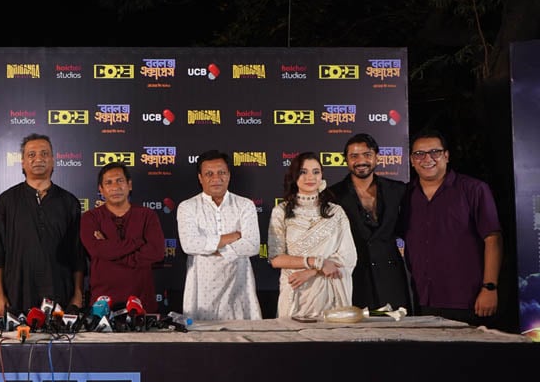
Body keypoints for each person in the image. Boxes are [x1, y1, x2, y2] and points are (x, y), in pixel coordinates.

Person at [403, 129, 502, 325]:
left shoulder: (474, 189)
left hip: (468, 300)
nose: (427, 159)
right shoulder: (405, 195)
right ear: (412, 160)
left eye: (435, 152)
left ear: (446, 156)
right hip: (420, 301)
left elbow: (493, 239)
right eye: (419, 154)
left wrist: (490, 287)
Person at [0, 134, 85, 316]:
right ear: (23, 162)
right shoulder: (6, 201)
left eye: (44, 153)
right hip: (17, 295)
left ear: (53, 161)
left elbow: (77, 255)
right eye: (31, 155)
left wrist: (78, 294)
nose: (38, 159)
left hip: (60, 295)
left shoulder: (69, 202)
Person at [268, 152, 357, 319]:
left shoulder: (335, 212)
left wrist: (313, 271)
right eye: (303, 172)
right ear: (294, 176)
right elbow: (275, 259)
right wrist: (316, 262)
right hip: (295, 291)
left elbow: (348, 256)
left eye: (316, 172)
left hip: (329, 294)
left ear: (322, 176)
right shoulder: (281, 211)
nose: (310, 177)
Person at [329, 133, 411, 312]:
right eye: (354, 156)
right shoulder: (332, 195)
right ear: (346, 160)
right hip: (354, 277)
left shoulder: (398, 190)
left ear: (377, 157)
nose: (361, 161)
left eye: (367, 154)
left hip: (392, 278)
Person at [176, 150, 262, 320]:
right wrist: (233, 237)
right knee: (202, 334)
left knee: (243, 333)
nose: (216, 178)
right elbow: (190, 245)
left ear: (229, 175)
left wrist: (210, 249)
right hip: (201, 289)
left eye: (221, 172)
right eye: (209, 174)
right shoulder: (187, 207)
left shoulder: (245, 205)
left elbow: (252, 245)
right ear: (200, 178)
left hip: (239, 286)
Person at [80, 162, 165, 311]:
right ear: (101, 189)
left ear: (129, 185)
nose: (115, 187)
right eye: (109, 183)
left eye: (120, 181)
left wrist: (110, 248)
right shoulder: (90, 218)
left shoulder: (147, 215)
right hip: (102, 302)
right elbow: (96, 250)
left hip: (141, 301)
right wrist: (137, 243)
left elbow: (156, 253)